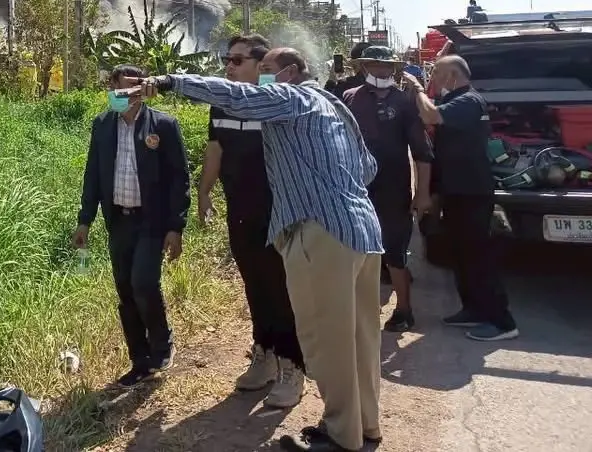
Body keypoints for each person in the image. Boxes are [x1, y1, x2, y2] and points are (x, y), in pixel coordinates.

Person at [128, 49, 382, 452]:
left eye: (265, 70)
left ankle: (340, 436)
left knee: (328, 341)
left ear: (292, 73)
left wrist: (170, 81)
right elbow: (369, 167)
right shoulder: (334, 105)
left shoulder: (291, 98)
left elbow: (239, 98)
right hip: (363, 230)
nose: (258, 78)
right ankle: (366, 426)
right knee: (361, 339)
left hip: (321, 234)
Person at [201, 33, 305, 409]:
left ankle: (293, 367)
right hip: (240, 210)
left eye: (237, 60)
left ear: (261, 67)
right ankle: (263, 356)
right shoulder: (221, 104)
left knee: (281, 289)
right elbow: (215, 149)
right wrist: (203, 192)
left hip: (278, 212)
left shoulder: (278, 104)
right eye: (227, 59)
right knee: (254, 286)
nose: (228, 65)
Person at [72, 64, 191, 387]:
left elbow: (179, 179)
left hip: (151, 221)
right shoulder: (103, 125)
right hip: (119, 221)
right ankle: (139, 360)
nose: (130, 93)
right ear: (112, 87)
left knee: (143, 283)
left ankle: (162, 343)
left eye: (137, 87)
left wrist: (175, 226)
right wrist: (85, 220)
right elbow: (93, 175)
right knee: (125, 289)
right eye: (124, 87)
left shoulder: (163, 125)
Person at [403, 56, 518, 342]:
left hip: (472, 192)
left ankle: (502, 321)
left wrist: (417, 88)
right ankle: (474, 309)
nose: (433, 78)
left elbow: (431, 115)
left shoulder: (468, 101)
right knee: (461, 255)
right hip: (457, 191)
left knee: (478, 257)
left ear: (452, 74)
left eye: (436, 72)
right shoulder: (457, 100)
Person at [342, 46, 433, 332]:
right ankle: (358, 313)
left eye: (385, 66)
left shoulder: (404, 102)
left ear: (393, 69)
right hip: (357, 188)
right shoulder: (350, 98)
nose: (380, 71)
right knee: (357, 251)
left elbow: (421, 152)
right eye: (373, 65)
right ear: (363, 67)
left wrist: (422, 193)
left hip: (394, 189)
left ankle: (404, 310)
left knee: (395, 252)